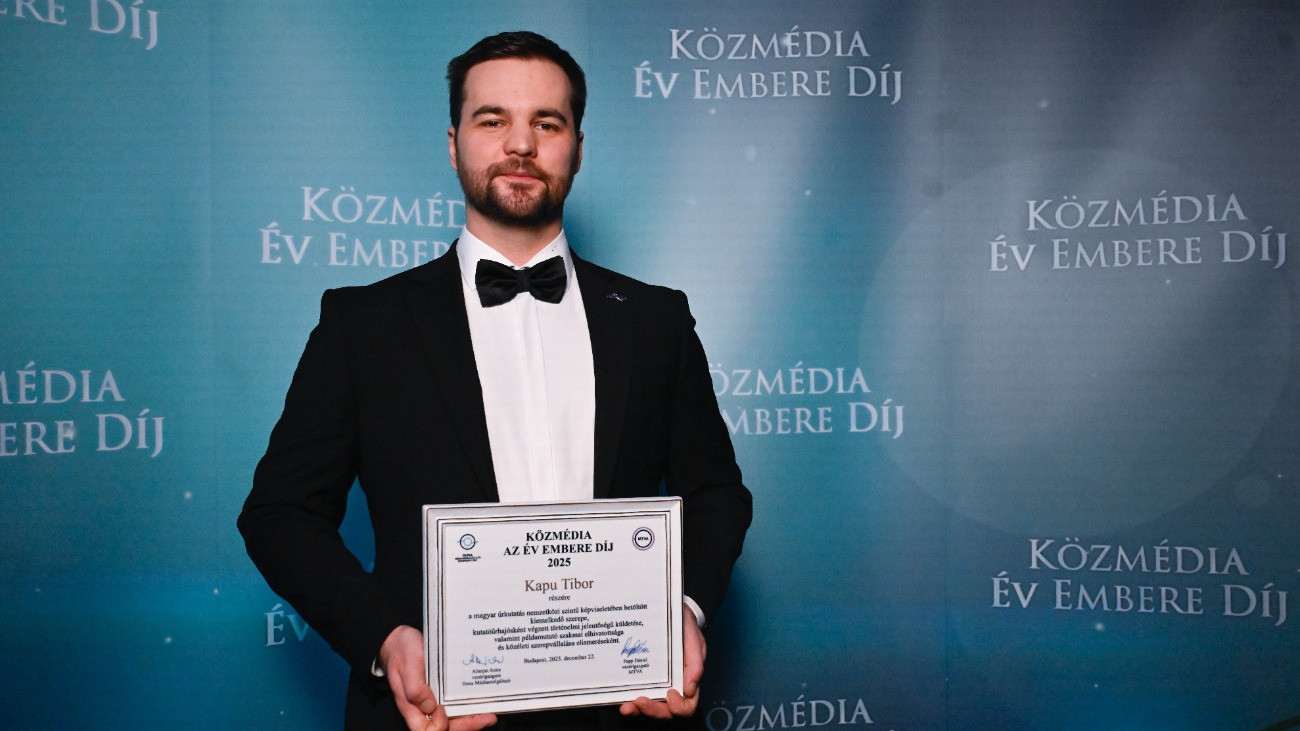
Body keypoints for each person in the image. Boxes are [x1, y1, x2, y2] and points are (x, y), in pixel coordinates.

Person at [238, 30, 751, 731]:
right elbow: (280, 514)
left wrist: (683, 612)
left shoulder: (656, 319)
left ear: (577, 147)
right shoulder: (363, 324)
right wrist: (385, 639)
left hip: (623, 707)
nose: (520, 144)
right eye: (492, 120)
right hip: (434, 713)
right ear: (454, 145)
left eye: (547, 123)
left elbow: (717, 492)